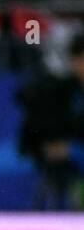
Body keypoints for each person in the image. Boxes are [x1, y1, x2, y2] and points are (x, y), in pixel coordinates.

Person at [15, 32, 84, 211]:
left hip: (77, 153)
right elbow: (26, 101)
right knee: (60, 173)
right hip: (67, 162)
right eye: (82, 60)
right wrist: (50, 144)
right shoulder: (62, 90)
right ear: (73, 61)